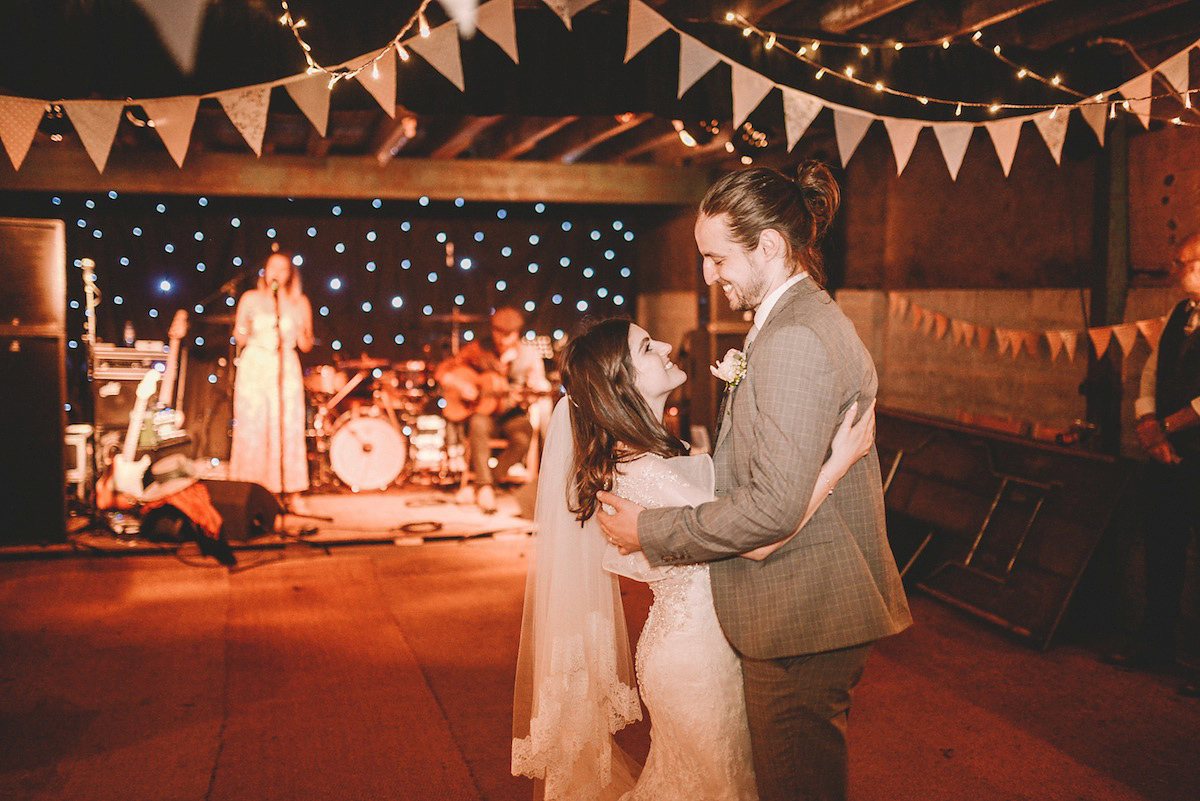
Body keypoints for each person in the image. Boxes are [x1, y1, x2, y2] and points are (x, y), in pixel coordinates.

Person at [598, 164, 912, 801]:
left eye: (717, 258)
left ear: (768, 245)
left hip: (801, 608)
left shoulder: (793, 336)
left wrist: (648, 528)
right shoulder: (789, 321)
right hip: (800, 598)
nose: (709, 276)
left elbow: (771, 510)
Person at [512, 317, 877, 800]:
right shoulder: (646, 474)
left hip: (694, 646)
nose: (664, 344)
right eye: (645, 347)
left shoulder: (647, 459)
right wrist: (838, 462)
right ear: (622, 384)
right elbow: (759, 537)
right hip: (699, 660)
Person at [1112, 233, 1200, 697]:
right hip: (1167, 455)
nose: (1175, 268)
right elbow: (1151, 370)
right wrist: (1147, 422)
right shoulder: (1179, 314)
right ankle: (1155, 641)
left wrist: (1164, 426)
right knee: (1162, 549)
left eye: (1182, 261)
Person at [436, 306, 550, 513]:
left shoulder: (529, 356)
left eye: (507, 335)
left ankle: (484, 485)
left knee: (524, 436)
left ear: (517, 334)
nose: (502, 339)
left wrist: (534, 392)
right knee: (478, 423)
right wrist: (459, 385)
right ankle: (485, 486)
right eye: (498, 333)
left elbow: (539, 387)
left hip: (512, 414)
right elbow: (443, 371)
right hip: (485, 414)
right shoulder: (479, 349)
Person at [229, 249, 313, 499]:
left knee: (287, 427)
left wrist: (302, 331)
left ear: (290, 274)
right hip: (255, 364)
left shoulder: (300, 302)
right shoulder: (250, 298)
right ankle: (254, 493)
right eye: (272, 267)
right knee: (254, 427)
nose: (276, 273)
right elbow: (239, 335)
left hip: (285, 365)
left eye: (282, 268)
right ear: (264, 271)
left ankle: (292, 493)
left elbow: (306, 344)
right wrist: (243, 331)